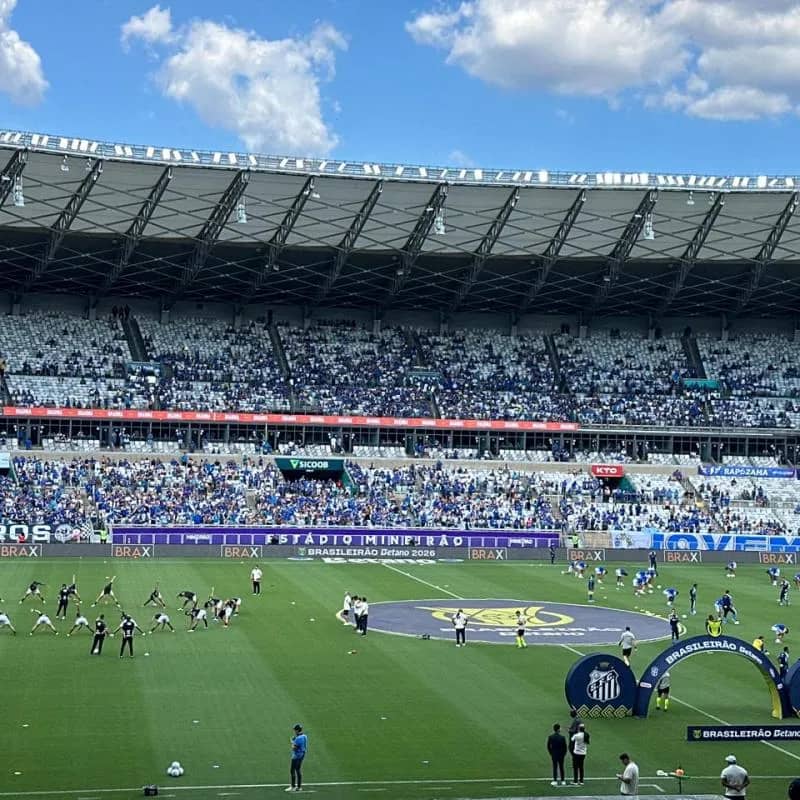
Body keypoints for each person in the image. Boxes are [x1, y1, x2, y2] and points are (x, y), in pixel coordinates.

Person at [287, 723, 307, 792]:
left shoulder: (298, 739)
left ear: (297, 730)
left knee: (292, 770)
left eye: (295, 730)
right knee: (298, 770)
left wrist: (292, 741)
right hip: (302, 755)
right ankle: (299, 786)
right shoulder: (304, 736)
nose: (294, 731)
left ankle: (293, 786)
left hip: (296, 756)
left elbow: (294, 748)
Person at [546, 723, 567, 787]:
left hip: (554, 754)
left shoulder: (551, 737)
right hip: (561, 754)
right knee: (561, 767)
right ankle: (563, 780)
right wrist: (564, 754)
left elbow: (548, 746)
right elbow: (565, 747)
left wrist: (551, 753)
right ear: (558, 729)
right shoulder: (562, 737)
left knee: (555, 767)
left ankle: (555, 780)